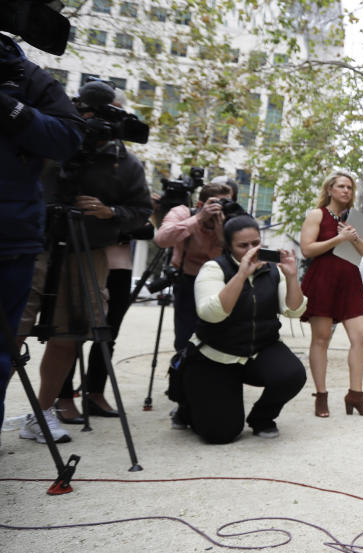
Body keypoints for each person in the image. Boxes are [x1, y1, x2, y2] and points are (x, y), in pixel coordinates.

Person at [12, 80, 151, 442]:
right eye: (89, 114)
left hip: (86, 251)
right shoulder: (49, 136)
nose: (96, 126)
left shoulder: (126, 163)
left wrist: (111, 212)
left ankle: (42, 414)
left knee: (69, 337)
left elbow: (142, 213)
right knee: (11, 330)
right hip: (33, 244)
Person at [0, 29, 83, 430]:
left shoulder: (25, 77)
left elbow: (66, 137)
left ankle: (49, 407)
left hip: (14, 236)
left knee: (12, 345)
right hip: (29, 232)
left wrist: (10, 109)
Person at [182, 216, 306, 443]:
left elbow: (294, 310)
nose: (251, 250)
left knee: (292, 374)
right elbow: (212, 313)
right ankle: (186, 400)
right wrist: (241, 275)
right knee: (220, 434)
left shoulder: (272, 270)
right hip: (216, 354)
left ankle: (262, 418)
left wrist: (291, 277)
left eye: (255, 243)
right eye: (243, 245)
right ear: (228, 246)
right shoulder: (213, 268)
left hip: (260, 348)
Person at [299, 171, 363, 417]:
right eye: (341, 186)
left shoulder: (358, 220)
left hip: (350, 281)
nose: (346, 191)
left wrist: (353, 239)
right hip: (323, 279)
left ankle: (355, 395)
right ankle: (321, 397)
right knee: (321, 339)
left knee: (361, 336)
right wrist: (338, 238)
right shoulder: (317, 215)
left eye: (350, 188)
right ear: (330, 190)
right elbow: (307, 249)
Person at [154, 182, 235, 353]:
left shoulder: (231, 221)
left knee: (217, 342)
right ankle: (182, 372)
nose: (221, 209)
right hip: (187, 282)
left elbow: (235, 259)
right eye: (217, 204)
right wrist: (198, 219)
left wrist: (222, 235)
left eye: (226, 204)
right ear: (200, 205)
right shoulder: (183, 212)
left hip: (219, 285)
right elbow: (162, 239)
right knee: (185, 340)